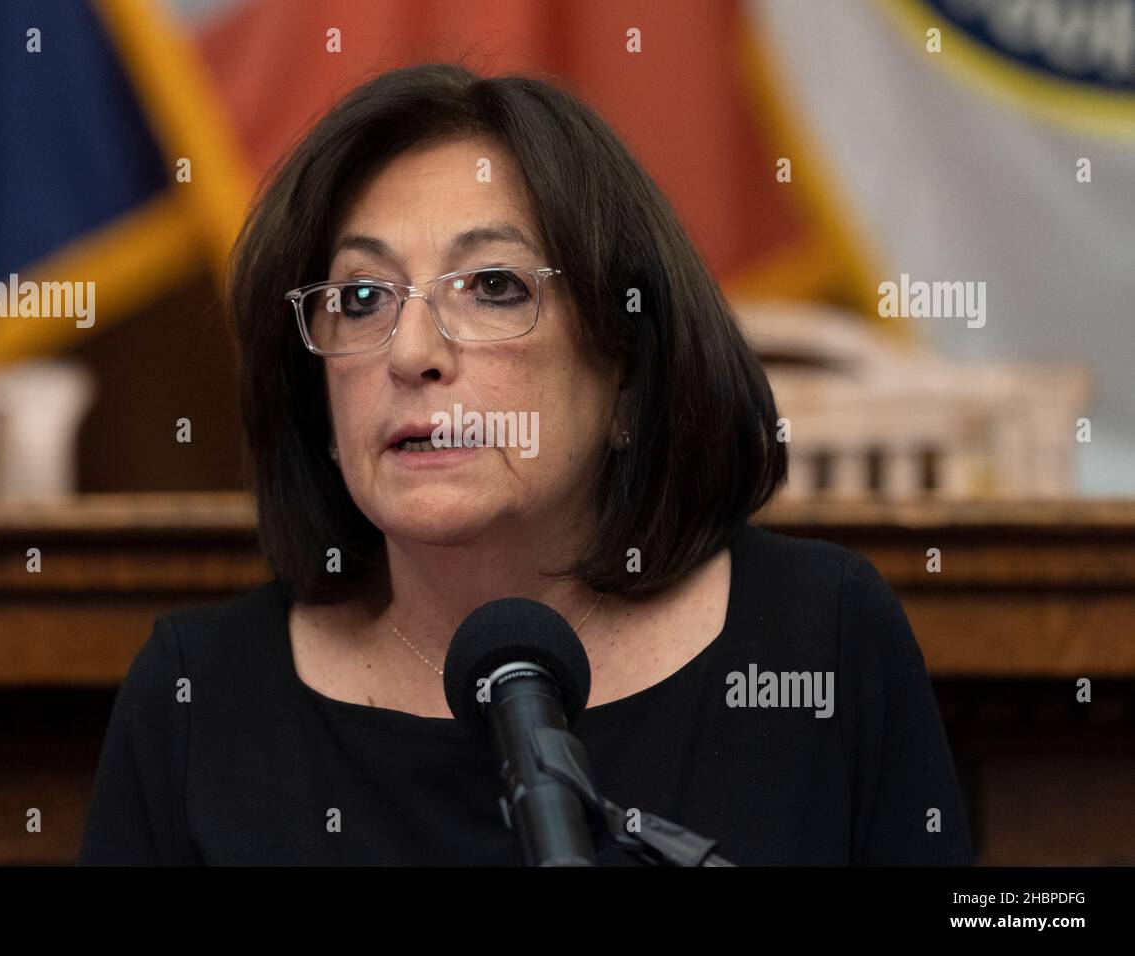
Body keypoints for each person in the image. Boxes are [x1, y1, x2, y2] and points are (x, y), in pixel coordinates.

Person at [77, 62, 973, 866]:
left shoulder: (819, 640)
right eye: (359, 297)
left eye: (494, 285)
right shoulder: (201, 696)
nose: (410, 352)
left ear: (627, 372)